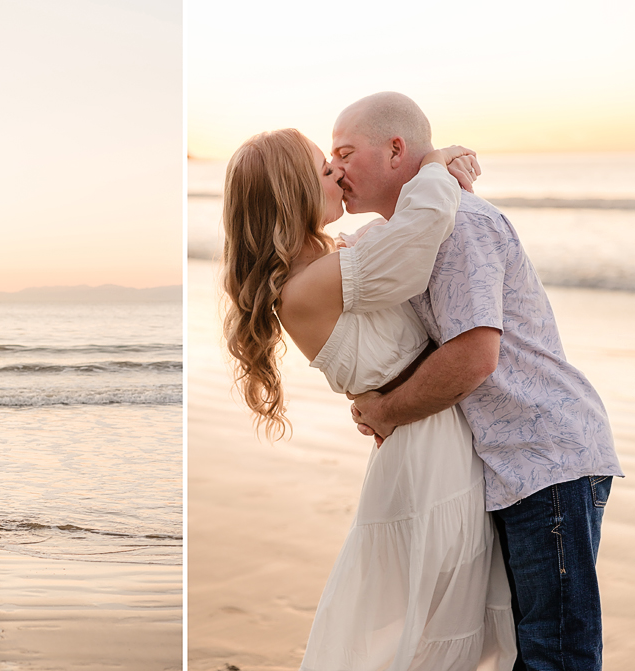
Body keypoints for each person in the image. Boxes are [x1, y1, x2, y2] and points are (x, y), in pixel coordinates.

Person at [340, 92, 623, 670]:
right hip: (506, 465)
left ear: (395, 150)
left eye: (345, 153)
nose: (334, 167)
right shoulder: (408, 232)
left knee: (555, 655)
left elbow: (474, 357)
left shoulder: (459, 224)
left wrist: (387, 411)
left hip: (546, 456)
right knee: (524, 650)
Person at [222, 128, 516, 670]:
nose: (337, 172)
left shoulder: (331, 262)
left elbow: (395, 237)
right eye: (323, 169)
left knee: (437, 619)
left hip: (426, 438)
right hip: (427, 450)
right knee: (431, 627)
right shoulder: (313, 283)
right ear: (293, 195)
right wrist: (434, 162)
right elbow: (419, 231)